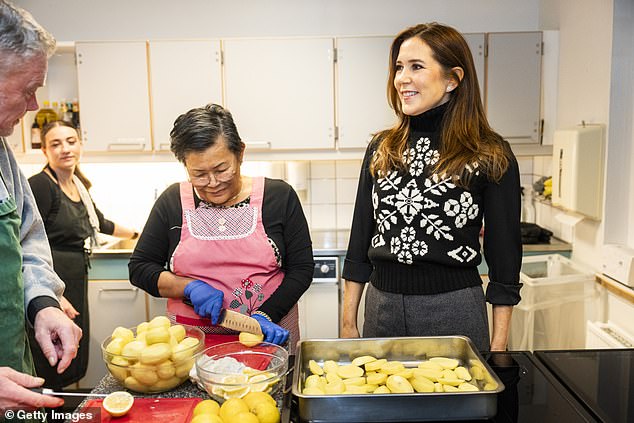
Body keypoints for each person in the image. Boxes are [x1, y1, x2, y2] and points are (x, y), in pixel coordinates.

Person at [341, 22, 522, 352]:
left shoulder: (489, 153)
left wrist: (498, 346)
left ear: (453, 78)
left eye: (416, 67)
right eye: (398, 67)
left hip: (454, 311)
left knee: (456, 404)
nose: (401, 78)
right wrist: (348, 324)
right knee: (381, 403)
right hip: (381, 309)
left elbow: (504, 258)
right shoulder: (382, 147)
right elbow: (359, 239)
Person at [129, 104, 313, 350]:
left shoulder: (279, 196)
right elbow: (140, 268)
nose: (213, 183)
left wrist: (267, 315)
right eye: (199, 174)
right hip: (191, 342)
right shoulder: (172, 201)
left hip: (267, 335)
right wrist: (188, 287)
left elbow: (301, 269)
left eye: (221, 169)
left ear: (241, 154)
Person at [0, 0, 82, 411]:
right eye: (28, 89)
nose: (34, 107)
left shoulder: (1, 153)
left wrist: (42, 304)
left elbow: (27, 239)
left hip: (14, 364)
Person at [27, 120, 138, 390]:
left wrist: (137, 235)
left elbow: (100, 223)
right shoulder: (41, 185)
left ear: (80, 145)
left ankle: (61, 406)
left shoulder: (78, 184)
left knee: (71, 343)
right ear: (44, 151)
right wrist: (53, 293)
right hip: (51, 279)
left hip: (74, 275)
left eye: (70, 141)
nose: (65, 149)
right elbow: (27, 242)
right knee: (50, 349)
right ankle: (47, 409)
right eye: (55, 144)